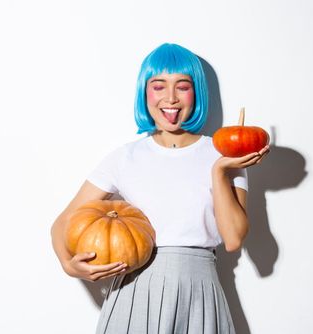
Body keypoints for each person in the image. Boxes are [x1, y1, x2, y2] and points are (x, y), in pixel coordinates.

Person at [51, 43, 269, 334]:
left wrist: (219, 172)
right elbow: (63, 222)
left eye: (182, 86)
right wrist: (69, 265)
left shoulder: (225, 154)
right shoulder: (124, 158)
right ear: (144, 92)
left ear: (197, 93)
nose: (170, 98)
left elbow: (232, 240)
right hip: (134, 291)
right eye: (158, 86)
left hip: (198, 291)